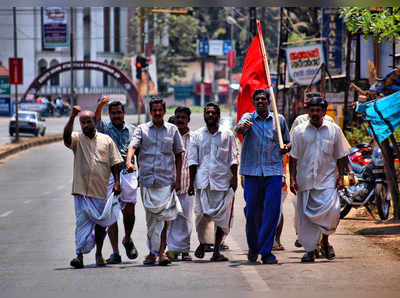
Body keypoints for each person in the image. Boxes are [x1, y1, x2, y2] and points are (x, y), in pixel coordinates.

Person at [290, 96, 350, 263]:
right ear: (307, 112)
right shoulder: (299, 131)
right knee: (307, 219)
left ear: (324, 112)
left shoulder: (334, 130)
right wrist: (292, 179)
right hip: (306, 181)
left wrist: (342, 176)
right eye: (312, 110)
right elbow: (294, 157)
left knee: (331, 212)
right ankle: (310, 250)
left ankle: (324, 241)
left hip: (327, 181)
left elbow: (341, 155)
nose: (315, 113)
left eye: (318, 110)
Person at [126, 97, 184, 266]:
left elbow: (179, 154)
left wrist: (178, 178)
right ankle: (152, 253)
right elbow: (133, 147)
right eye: (154, 110)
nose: (157, 113)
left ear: (164, 111)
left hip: (166, 181)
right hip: (147, 182)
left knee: (164, 218)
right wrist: (129, 162)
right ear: (150, 112)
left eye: (160, 110)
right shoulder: (142, 129)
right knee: (151, 221)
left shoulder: (172, 130)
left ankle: (161, 252)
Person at [63, 106, 123, 268]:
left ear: (94, 122)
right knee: (82, 224)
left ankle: (99, 254)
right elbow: (66, 138)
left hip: (100, 191)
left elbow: (115, 163)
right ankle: (79, 256)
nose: (86, 125)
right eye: (82, 123)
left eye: (88, 122)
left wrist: (117, 182)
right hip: (81, 192)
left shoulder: (106, 140)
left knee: (101, 225)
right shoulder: (77, 139)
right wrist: (72, 117)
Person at [235, 89, 290, 264]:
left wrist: (286, 148)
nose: (260, 101)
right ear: (254, 102)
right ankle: (253, 247)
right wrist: (242, 128)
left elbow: (288, 142)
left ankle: (266, 251)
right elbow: (238, 128)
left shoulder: (278, 120)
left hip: (273, 172)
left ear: (268, 101)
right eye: (257, 99)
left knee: (272, 212)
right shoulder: (248, 118)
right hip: (252, 172)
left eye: (263, 99)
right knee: (252, 212)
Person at [188, 102, 238, 262]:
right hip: (202, 182)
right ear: (204, 115)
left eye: (213, 113)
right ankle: (203, 243)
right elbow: (192, 161)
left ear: (218, 115)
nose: (210, 115)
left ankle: (216, 250)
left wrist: (235, 178)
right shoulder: (196, 135)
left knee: (222, 218)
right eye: (208, 113)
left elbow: (233, 158)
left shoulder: (227, 135)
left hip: (222, 181)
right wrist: (190, 183)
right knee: (201, 216)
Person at [95, 96, 139, 264]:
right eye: (113, 113)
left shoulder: (133, 129)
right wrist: (100, 105)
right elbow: (96, 119)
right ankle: (115, 253)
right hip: (109, 175)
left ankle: (127, 238)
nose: (116, 116)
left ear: (124, 113)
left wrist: (139, 173)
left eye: (119, 113)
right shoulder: (105, 129)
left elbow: (138, 151)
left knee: (129, 210)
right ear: (109, 114)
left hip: (129, 174)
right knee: (112, 214)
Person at [166, 107, 195, 261]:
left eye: (183, 117)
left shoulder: (194, 138)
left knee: (186, 219)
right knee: (171, 218)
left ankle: (185, 250)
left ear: (188, 120)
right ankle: (171, 249)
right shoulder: (169, 136)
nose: (180, 120)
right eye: (178, 117)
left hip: (188, 184)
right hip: (170, 184)